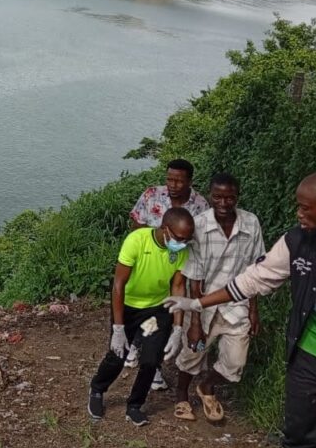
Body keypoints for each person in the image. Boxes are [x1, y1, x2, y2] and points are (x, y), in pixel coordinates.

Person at [165, 172, 316, 448]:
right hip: (308, 354)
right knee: (297, 434)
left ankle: (309, 446)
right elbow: (254, 278)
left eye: (306, 208)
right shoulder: (298, 242)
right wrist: (197, 305)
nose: (299, 213)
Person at [88, 207, 194, 426]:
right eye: (179, 238)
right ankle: (97, 389)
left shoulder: (181, 251)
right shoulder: (136, 241)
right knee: (118, 354)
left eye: (187, 239)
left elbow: (177, 286)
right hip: (128, 307)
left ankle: (135, 404)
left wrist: (177, 328)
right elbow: (118, 285)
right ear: (165, 229)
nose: (183, 243)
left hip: (156, 310)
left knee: (150, 359)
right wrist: (118, 328)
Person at [173, 172, 265, 422]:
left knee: (235, 363)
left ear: (238, 197)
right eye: (218, 197)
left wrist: (254, 310)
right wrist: (194, 323)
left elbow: (255, 271)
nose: (223, 203)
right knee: (194, 351)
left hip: (237, 306)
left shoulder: (251, 223)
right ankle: (181, 394)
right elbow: (194, 277)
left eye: (230, 198)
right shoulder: (199, 225)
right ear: (210, 196)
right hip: (203, 307)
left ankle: (207, 387)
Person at [127, 159, 210, 390]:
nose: (172, 185)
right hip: (149, 264)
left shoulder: (200, 206)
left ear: (190, 182)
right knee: (144, 309)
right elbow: (136, 225)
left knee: (164, 314)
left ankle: (153, 366)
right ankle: (136, 341)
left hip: (179, 266)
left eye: (179, 181)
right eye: (169, 179)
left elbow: (199, 241)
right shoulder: (152, 195)